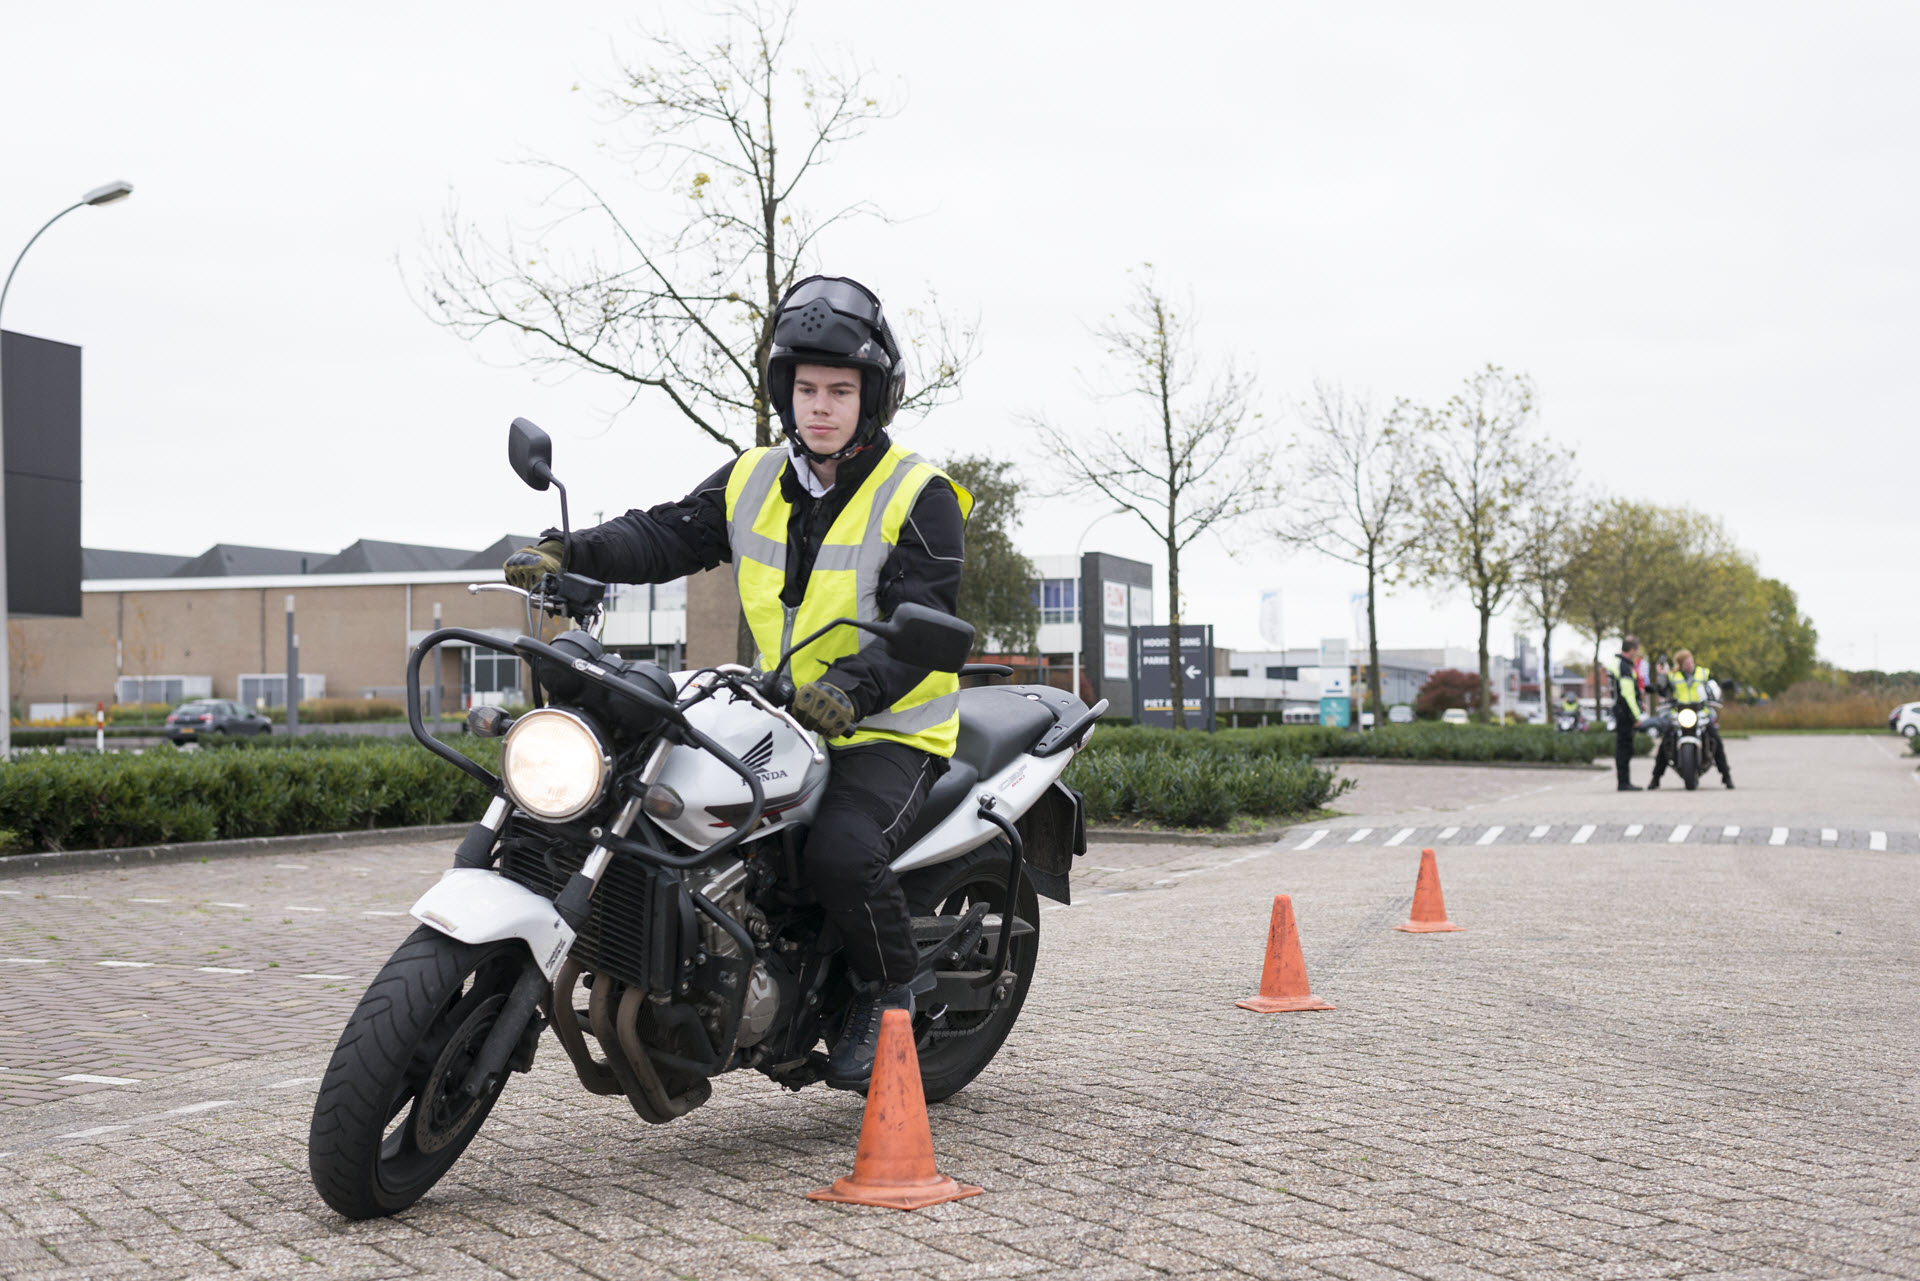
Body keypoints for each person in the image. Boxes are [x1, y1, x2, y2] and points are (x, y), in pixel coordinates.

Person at [502, 276, 971, 1089]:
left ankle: (890, 993)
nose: (820, 406)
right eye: (805, 388)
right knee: (645, 797)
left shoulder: (919, 494)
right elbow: (663, 535)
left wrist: (852, 693)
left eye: (840, 390)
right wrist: (569, 551)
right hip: (778, 713)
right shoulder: (754, 475)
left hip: (887, 730)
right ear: (783, 392)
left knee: (841, 850)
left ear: (873, 398)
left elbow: (920, 628)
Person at [1648, 647, 1734, 789]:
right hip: (1679, 712)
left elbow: (1713, 688)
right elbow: (1663, 691)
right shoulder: (1673, 676)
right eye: (1686, 662)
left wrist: (1715, 696)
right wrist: (1661, 675)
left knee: (1715, 739)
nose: (1690, 664)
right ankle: (1655, 778)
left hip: (1700, 711)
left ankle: (1726, 776)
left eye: (1691, 661)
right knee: (1666, 741)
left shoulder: (1703, 673)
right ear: (1680, 664)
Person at [1610, 636, 1645, 791]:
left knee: (1624, 747)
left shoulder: (1619, 663)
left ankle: (1624, 781)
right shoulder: (1624, 666)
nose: (1636, 654)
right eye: (1636, 650)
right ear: (1632, 649)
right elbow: (1627, 693)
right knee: (1624, 747)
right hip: (1625, 713)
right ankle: (1624, 782)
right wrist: (1636, 716)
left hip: (1621, 711)